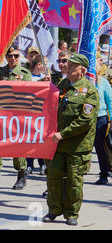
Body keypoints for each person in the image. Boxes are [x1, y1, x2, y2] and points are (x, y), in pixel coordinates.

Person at [43, 53, 99, 226]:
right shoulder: (63, 84)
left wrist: (63, 133)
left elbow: (85, 120)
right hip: (58, 144)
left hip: (77, 146)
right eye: (68, 64)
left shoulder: (90, 91)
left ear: (81, 70)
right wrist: (46, 86)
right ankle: (54, 210)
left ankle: (71, 213)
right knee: (54, 178)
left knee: (74, 182)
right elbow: (51, 102)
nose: (67, 67)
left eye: (72, 66)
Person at [0, 45, 31, 191]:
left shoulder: (25, 73)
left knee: (18, 147)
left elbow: (29, 93)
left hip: (17, 116)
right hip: (1, 114)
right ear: (5, 57)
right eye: (10, 56)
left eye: (16, 56)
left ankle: (21, 175)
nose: (13, 58)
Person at [93, 60, 111, 185]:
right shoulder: (81, 83)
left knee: (99, 146)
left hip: (101, 118)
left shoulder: (103, 83)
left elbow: (110, 101)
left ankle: (103, 174)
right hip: (85, 119)